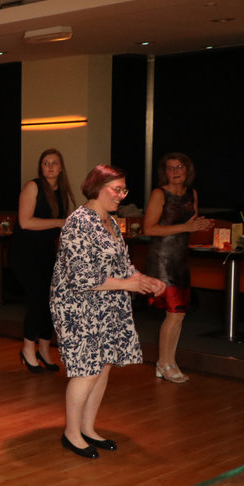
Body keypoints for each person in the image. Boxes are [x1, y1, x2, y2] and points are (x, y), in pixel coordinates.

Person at [51, 165, 165, 459]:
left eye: (124, 190)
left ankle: (87, 428)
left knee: (103, 366)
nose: (121, 195)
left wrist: (143, 279)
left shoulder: (110, 221)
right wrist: (128, 284)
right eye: (116, 189)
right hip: (78, 305)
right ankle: (71, 433)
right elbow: (80, 277)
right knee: (86, 370)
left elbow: (122, 265)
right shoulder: (79, 221)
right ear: (96, 187)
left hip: (108, 303)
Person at [142, 153, 212, 384]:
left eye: (179, 167)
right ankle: (164, 363)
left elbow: (189, 225)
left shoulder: (192, 193)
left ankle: (169, 362)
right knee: (174, 312)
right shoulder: (159, 193)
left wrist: (199, 225)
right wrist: (186, 226)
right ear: (165, 172)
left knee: (179, 314)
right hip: (162, 258)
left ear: (187, 170)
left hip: (181, 257)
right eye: (170, 168)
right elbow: (149, 229)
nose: (175, 172)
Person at [12, 149, 76, 373]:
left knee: (51, 303)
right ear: (41, 167)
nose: (50, 167)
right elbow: (25, 222)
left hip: (48, 253)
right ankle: (28, 349)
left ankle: (45, 350)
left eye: (54, 163)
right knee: (38, 300)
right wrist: (59, 222)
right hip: (25, 253)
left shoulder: (62, 191)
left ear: (61, 167)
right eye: (46, 163)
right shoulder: (33, 186)